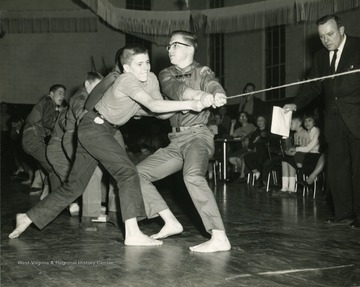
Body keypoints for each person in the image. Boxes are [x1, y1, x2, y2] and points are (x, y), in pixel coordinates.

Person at [9, 44, 209, 245]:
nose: (145, 68)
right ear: (126, 68)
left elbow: (160, 112)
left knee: (74, 187)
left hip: (104, 130)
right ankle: (133, 234)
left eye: (147, 62)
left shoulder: (151, 79)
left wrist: (185, 108)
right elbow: (153, 105)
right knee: (127, 172)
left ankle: (27, 218)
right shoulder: (126, 80)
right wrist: (190, 103)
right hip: (94, 127)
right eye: (138, 64)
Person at [137, 30, 230, 253]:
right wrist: (197, 97)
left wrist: (217, 94)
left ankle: (219, 236)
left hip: (198, 135)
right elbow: (176, 90)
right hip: (176, 140)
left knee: (192, 176)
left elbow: (213, 83)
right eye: (168, 46)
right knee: (137, 174)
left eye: (174, 45)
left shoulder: (202, 71)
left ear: (189, 48)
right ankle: (170, 220)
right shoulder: (165, 73)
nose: (169, 49)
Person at [283, 14, 360, 229]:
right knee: (337, 169)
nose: (326, 40)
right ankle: (343, 213)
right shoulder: (319, 57)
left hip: (357, 118)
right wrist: (295, 104)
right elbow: (312, 87)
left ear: (342, 30)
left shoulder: (358, 47)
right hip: (333, 121)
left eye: (330, 34)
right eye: (322, 36)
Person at [21, 85, 66, 195]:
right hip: (33, 139)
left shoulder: (46, 105)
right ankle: (57, 199)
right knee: (53, 167)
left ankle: (49, 196)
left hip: (32, 139)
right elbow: (48, 122)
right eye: (60, 93)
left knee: (51, 167)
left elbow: (46, 128)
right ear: (51, 93)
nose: (62, 96)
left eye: (64, 94)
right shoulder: (48, 101)